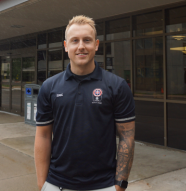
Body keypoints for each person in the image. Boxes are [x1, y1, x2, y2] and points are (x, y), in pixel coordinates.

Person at [35, 15, 136, 191]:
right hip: (56, 183)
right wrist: (42, 184)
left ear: (96, 45)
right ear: (66, 46)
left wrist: (120, 186)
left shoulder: (117, 86)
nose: (81, 46)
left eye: (87, 40)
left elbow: (127, 136)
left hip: (103, 185)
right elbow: (43, 135)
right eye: (75, 41)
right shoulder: (49, 87)